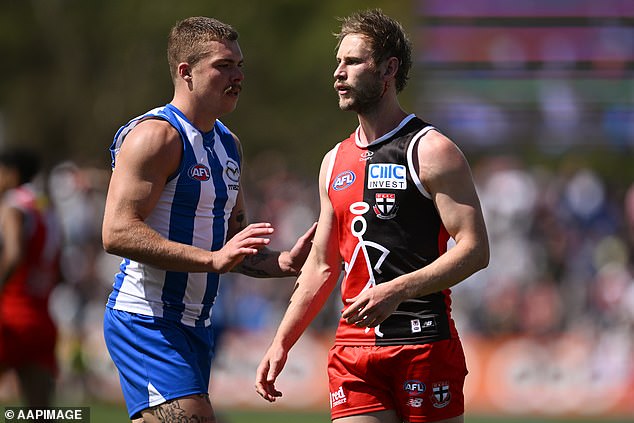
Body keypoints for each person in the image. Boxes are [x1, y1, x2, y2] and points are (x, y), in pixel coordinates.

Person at [255, 9, 489, 423]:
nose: (338, 73)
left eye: (351, 61)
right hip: (352, 351)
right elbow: (323, 266)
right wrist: (282, 341)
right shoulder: (333, 161)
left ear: (388, 69)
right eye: (337, 62)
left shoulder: (431, 150)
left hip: (423, 344)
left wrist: (397, 290)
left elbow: (475, 250)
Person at [101, 16, 316, 422]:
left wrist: (283, 262)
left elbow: (233, 246)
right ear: (186, 73)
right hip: (147, 321)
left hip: (197, 325)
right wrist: (211, 260)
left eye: (239, 65)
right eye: (223, 66)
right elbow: (116, 233)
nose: (237, 76)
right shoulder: (156, 136)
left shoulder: (228, 145)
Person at [0, 148, 62, 408]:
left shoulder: (12, 204)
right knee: (41, 413)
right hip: (42, 318)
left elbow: (14, 253)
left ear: (13, 174)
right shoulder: (47, 207)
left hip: (11, 315)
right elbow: (61, 271)